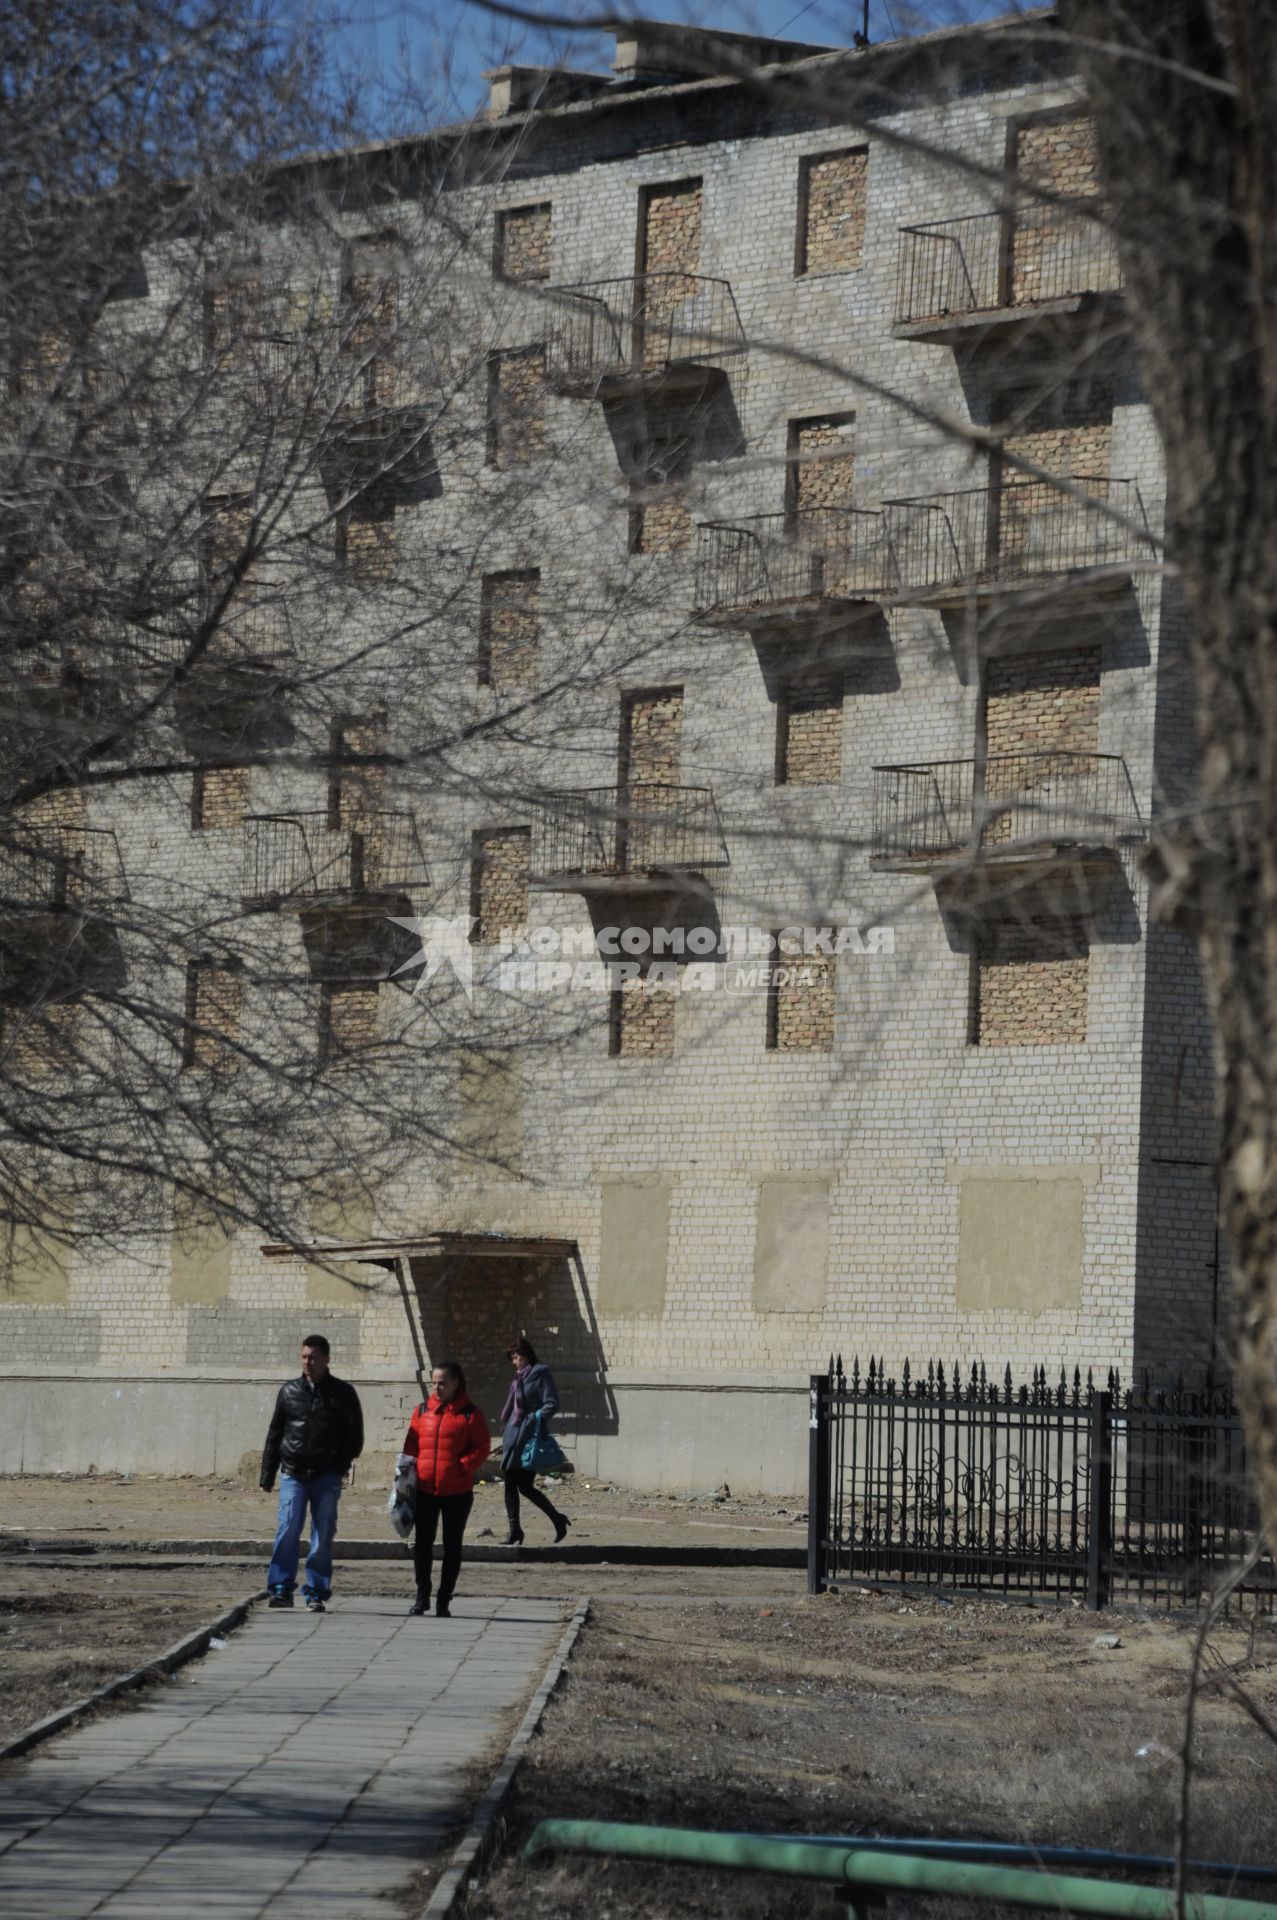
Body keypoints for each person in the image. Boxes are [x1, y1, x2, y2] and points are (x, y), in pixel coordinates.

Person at [260, 1333, 364, 1613]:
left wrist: (339, 1467)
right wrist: (267, 1474)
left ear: (327, 1359)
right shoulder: (289, 1391)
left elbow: (354, 1438)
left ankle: (316, 1591)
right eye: (304, 1357)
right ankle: (281, 1588)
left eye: (314, 1357)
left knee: (322, 1534)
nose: (308, 1362)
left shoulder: (342, 1394)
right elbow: (275, 1433)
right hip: (293, 1473)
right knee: (288, 1528)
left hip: (326, 1475)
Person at [403, 1360, 490, 1618]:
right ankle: (422, 1596)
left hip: (457, 1491)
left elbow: (482, 1447)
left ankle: (444, 1600)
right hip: (425, 1489)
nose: (437, 1388)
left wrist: (463, 1466)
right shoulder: (421, 1411)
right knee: (422, 1545)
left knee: (452, 1546)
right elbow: (410, 1446)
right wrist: (406, 1476)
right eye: (434, 1383)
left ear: (455, 1383)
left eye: (442, 1383)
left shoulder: (470, 1414)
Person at [498, 1335, 570, 1547]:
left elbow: (552, 1403)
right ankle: (516, 1530)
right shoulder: (518, 1378)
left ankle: (554, 1520)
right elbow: (511, 1408)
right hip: (513, 1437)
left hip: (529, 1439)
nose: (514, 1362)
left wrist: (533, 1418)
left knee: (523, 1486)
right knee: (513, 1485)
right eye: (512, 1358)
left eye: (517, 1357)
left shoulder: (540, 1374)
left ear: (527, 1356)